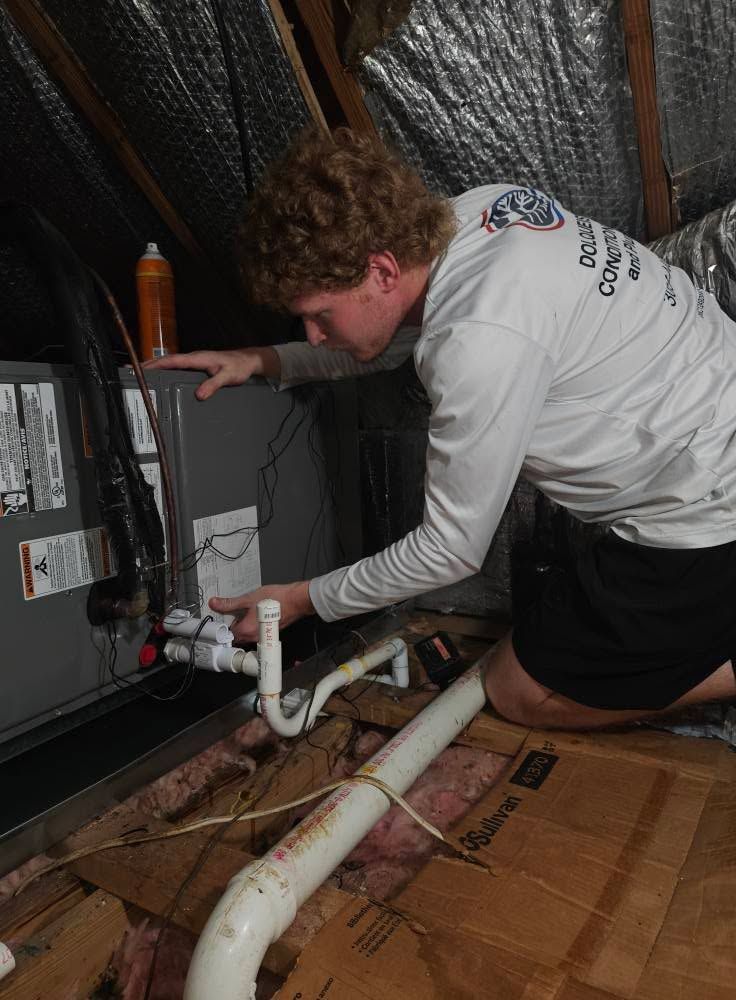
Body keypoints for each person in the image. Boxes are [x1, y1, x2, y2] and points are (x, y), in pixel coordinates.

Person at [146, 126, 736, 730]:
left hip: (704, 514)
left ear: (380, 270)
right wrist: (267, 361)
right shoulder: (473, 216)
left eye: (319, 316)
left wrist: (301, 600)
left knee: (514, 691)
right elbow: (383, 335)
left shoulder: (478, 341)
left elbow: (450, 551)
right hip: (716, 425)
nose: (315, 337)